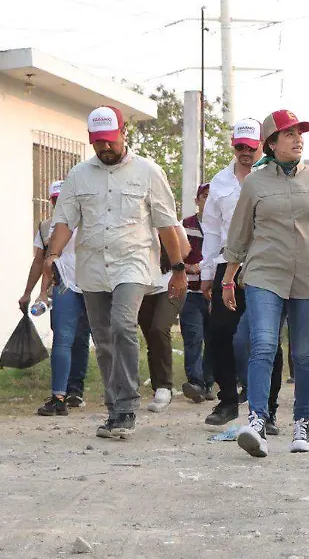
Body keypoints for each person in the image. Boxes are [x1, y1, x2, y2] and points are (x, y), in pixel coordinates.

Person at [46, 107, 185, 440]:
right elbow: (64, 221)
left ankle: (127, 406)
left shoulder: (148, 172)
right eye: (98, 143)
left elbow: (167, 225)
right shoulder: (78, 176)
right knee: (104, 340)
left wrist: (178, 269)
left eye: (109, 141)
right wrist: (51, 257)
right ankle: (115, 410)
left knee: (123, 324)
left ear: (124, 133)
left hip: (133, 262)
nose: (104, 148)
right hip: (92, 267)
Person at [221, 109, 309, 457]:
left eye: (300, 133)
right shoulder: (255, 183)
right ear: (271, 144)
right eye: (289, 134)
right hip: (264, 274)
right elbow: (239, 234)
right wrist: (228, 279)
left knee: (305, 354)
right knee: (263, 344)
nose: (297, 139)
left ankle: (302, 423)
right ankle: (258, 421)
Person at [198, 118, 262, 427]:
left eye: (251, 147)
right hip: (228, 265)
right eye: (241, 147)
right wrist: (209, 272)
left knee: (265, 335)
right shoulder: (220, 182)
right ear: (233, 146)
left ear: (261, 145)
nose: (246, 152)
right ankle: (227, 400)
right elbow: (210, 229)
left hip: (264, 262)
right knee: (218, 331)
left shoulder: (271, 176)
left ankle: (268, 408)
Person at [20, 180, 91, 416]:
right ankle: (59, 396)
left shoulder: (88, 221)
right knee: (63, 339)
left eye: (64, 198)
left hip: (94, 285)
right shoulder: (47, 227)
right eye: (55, 199)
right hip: (65, 287)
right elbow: (42, 262)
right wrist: (33, 292)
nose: (60, 203)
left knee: (101, 340)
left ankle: (109, 395)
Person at [141, 229, 191, 412]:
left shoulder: (169, 222)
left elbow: (185, 249)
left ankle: (164, 386)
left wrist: (164, 246)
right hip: (143, 285)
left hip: (170, 283)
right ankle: (157, 388)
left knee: (159, 328)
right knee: (150, 337)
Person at [179, 183, 213, 404]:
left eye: (212, 197)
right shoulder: (186, 225)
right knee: (193, 337)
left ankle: (209, 382)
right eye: (204, 196)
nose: (208, 201)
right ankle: (196, 383)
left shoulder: (222, 225)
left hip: (214, 291)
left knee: (214, 339)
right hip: (191, 292)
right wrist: (186, 267)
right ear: (197, 200)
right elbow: (174, 252)